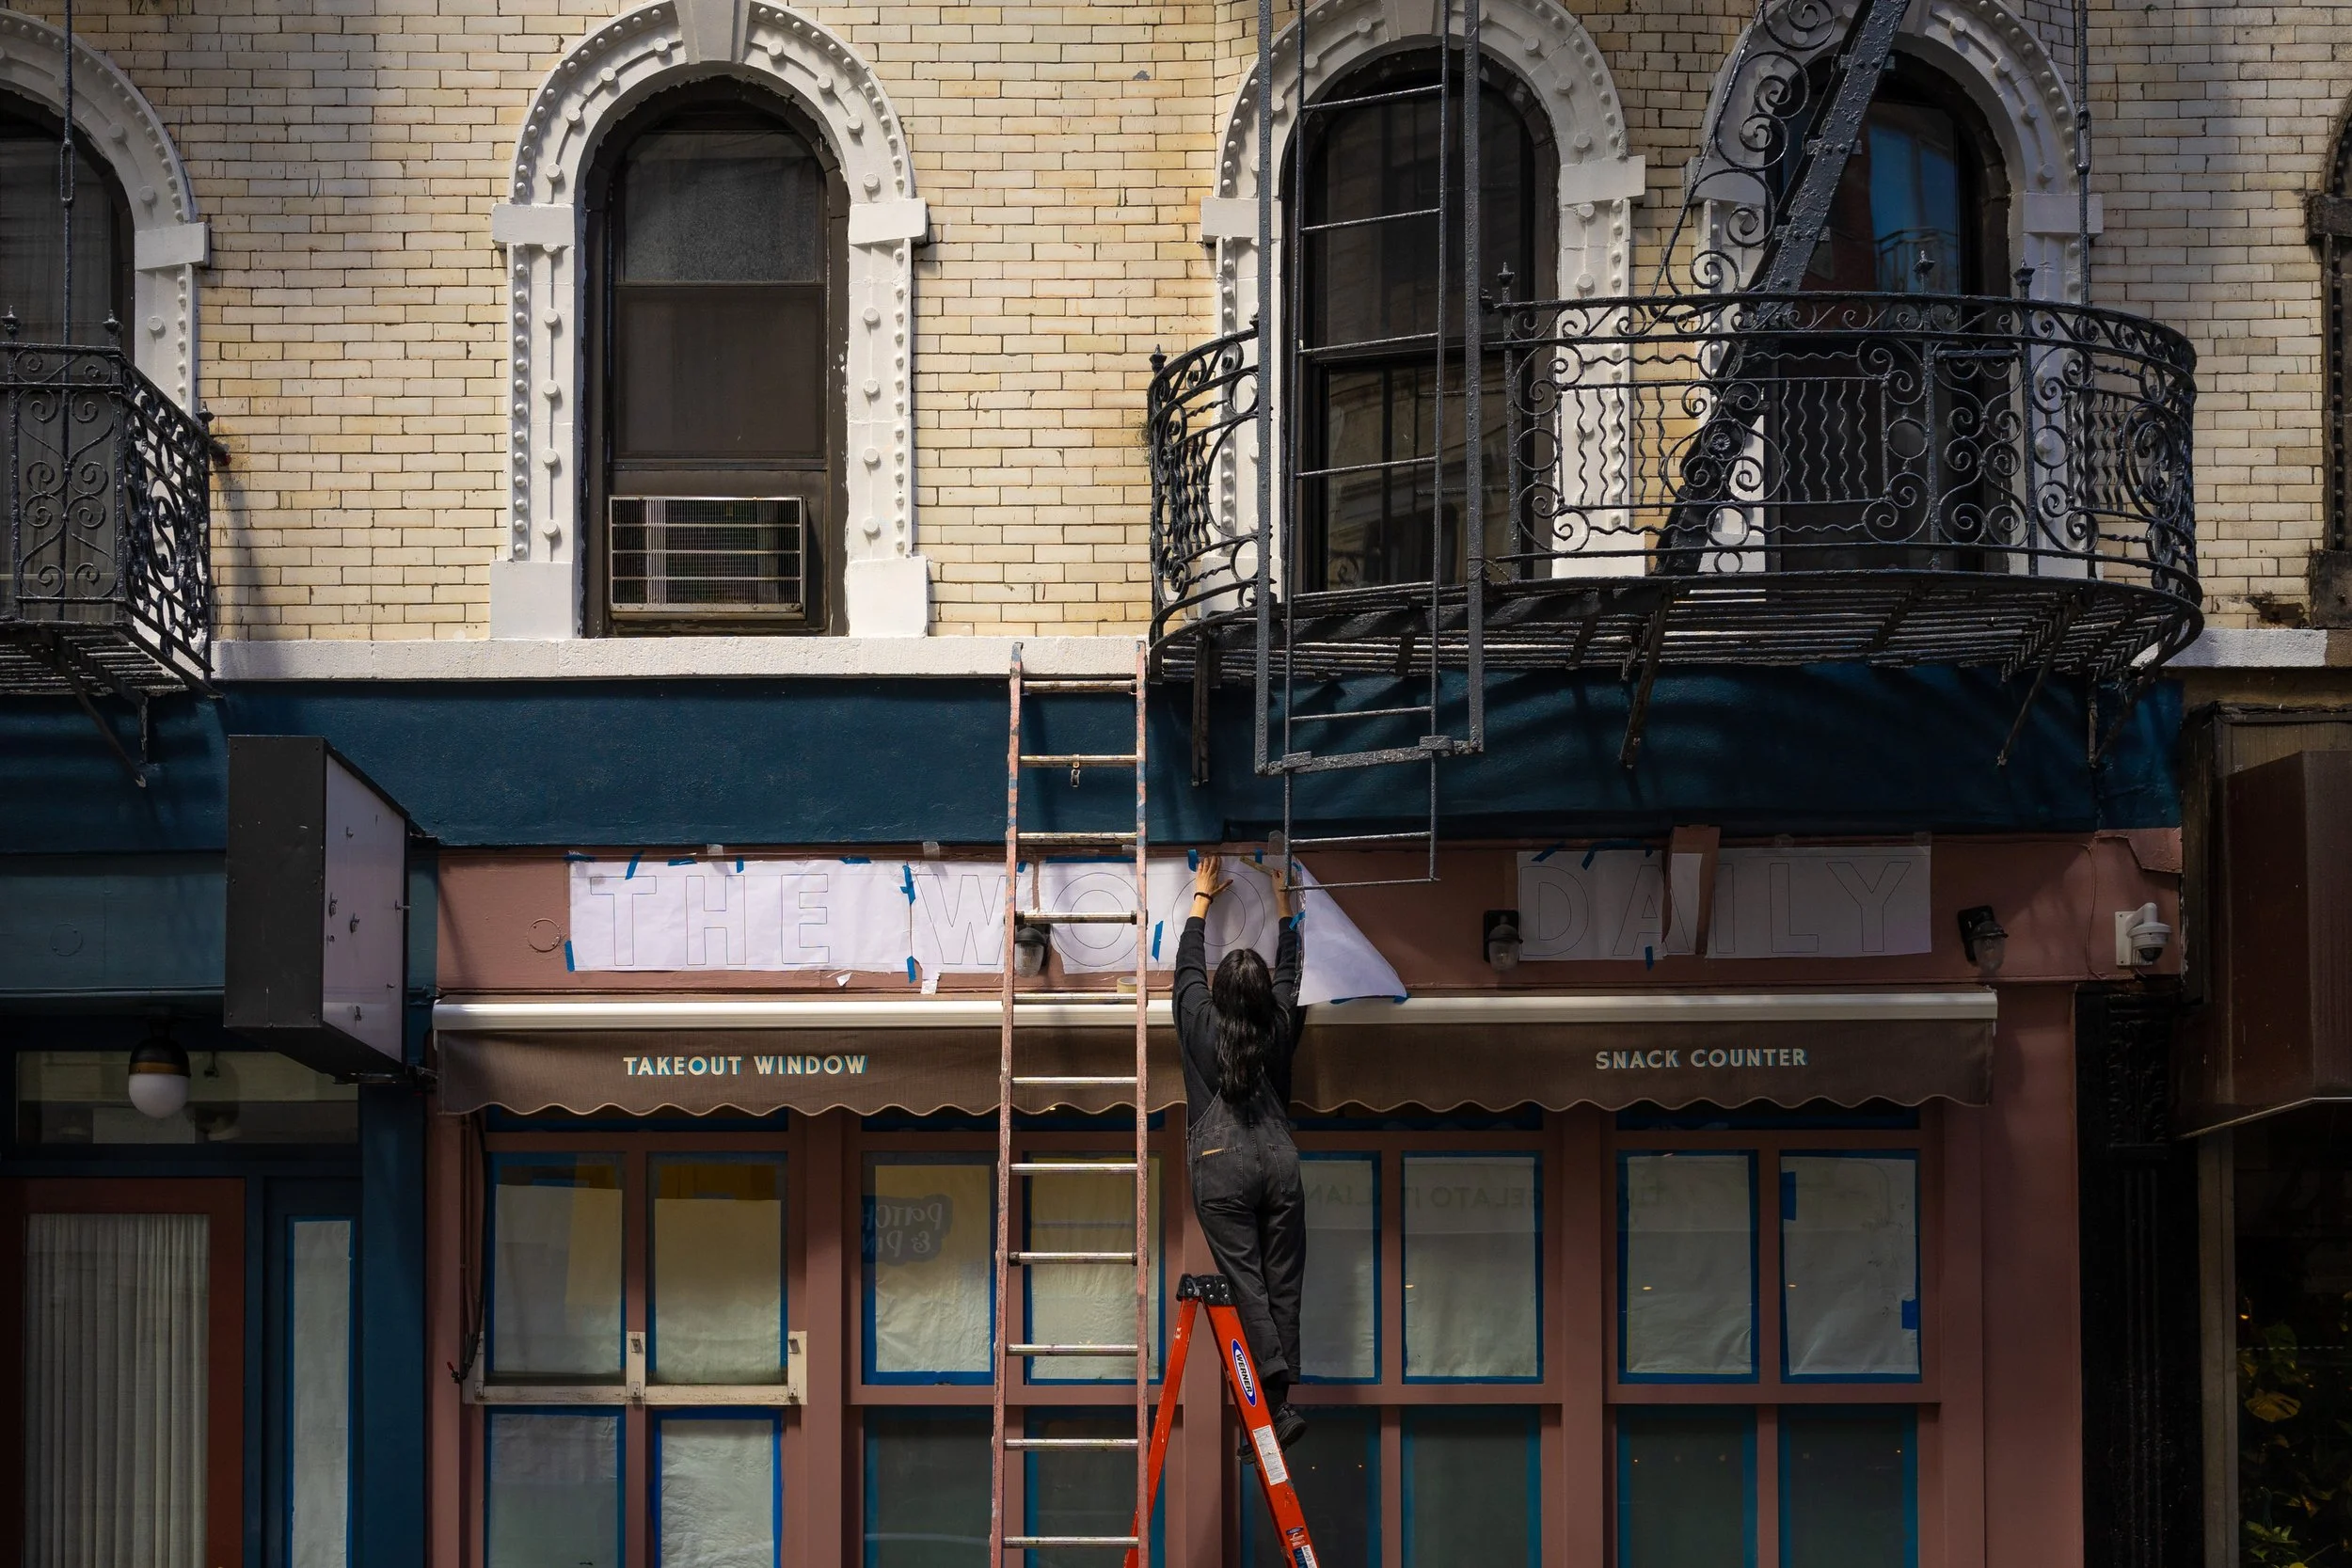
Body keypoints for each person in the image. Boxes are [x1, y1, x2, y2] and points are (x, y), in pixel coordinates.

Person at [1173, 850, 1310, 1450]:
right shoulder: (1279, 1026)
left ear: (1223, 997)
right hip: (1279, 1160)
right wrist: (1286, 908)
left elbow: (1185, 972)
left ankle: (1265, 1412)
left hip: (1220, 1164)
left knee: (1247, 1286)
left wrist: (1201, 898)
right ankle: (1275, 1412)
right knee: (1282, 1282)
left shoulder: (1202, 1024)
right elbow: (1290, 976)